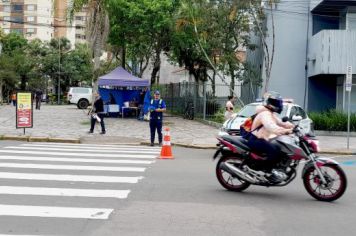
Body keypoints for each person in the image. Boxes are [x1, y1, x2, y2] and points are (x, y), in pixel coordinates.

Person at [246, 92, 294, 181]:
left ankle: (276, 168)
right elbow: (271, 127)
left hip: (262, 139)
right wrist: (286, 131)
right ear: (271, 104)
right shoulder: (265, 114)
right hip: (256, 140)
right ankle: (268, 172)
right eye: (277, 103)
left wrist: (294, 126)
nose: (279, 105)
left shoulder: (270, 113)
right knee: (274, 151)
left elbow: (281, 123)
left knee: (279, 148)